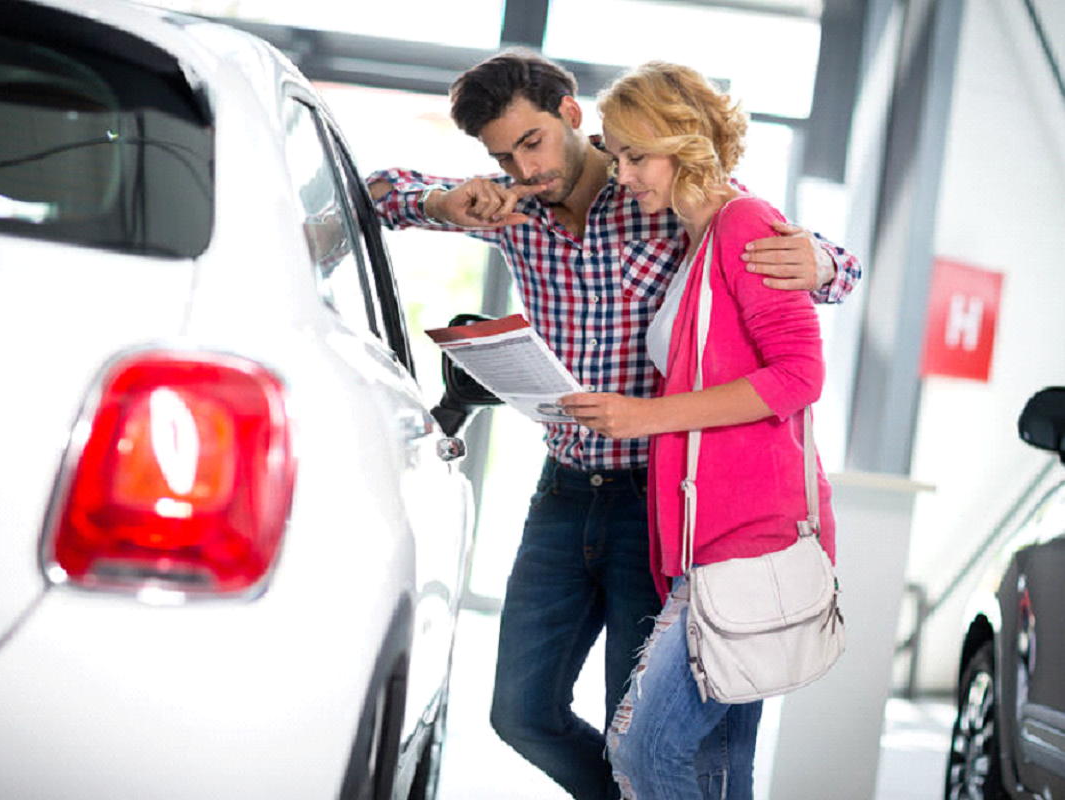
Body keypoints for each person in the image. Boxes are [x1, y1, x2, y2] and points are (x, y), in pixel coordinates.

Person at [367, 49, 858, 800]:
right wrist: (443, 205)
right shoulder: (510, 210)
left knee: (636, 725)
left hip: (652, 497)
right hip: (563, 493)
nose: (523, 169)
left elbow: (814, 262)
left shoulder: (663, 189)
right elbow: (376, 195)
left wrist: (822, 263)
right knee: (520, 713)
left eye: (530, 144)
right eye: (502, 155)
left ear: (571, 115)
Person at [558, 61, 838, 800]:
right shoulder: (696, 239)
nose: (621, 175)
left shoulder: (745, 224)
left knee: (644, 753)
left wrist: (642, 417)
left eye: (634, 155)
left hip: (744, 544)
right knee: (718, 764)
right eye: (613, 156)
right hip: (708, 542)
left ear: (682, 144)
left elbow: (799, 375)